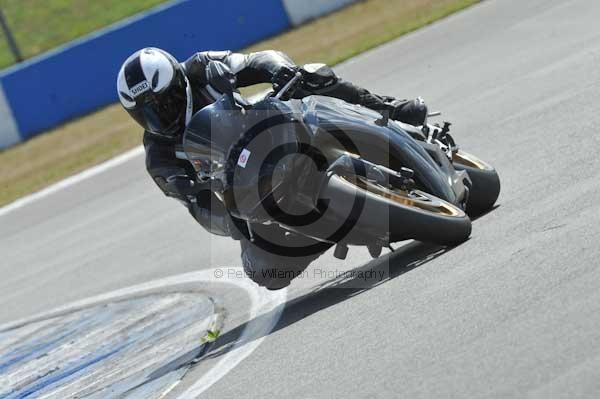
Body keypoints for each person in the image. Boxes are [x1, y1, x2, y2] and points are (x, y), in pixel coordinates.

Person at [116, 47, 428, 290]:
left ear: (179, 82)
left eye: (164, 102)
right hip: (253, 193)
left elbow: (258, 60)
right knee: (263, 272)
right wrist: (233, 220)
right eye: (146, 113)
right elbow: (199, 208)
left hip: (271, 127)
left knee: (311, 76)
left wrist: (279, 69)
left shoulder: (203, 67)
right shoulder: (160, 158)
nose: (160, 115)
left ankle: (388, 109)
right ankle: (335, 227)